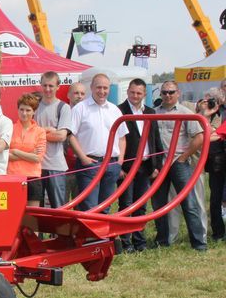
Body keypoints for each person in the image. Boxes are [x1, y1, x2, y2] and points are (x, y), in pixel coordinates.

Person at [151, 81, 206, 250]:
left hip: (177, 163)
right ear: (161, 93)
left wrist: (183, 157)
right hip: (159, 165)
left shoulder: (185, 112)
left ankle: (199, 243)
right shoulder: (153, 113)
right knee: (159, 204)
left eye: (171, 92)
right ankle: (162, 241)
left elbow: (200, 137)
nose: (168, 95)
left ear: (178, 93)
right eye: (165, 92)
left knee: (189, 204)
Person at [68, 73, 128, 212]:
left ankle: (101, 235)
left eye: (105, 88)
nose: (102, 91)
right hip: (90, 164)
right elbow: (71, 135)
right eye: (98, 87)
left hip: (112, 164)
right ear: (92, 88)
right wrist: (83, 158)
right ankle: (89, 234)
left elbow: (122, 137)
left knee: (105, 207)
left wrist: (120, 160)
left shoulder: (115, 110)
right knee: (89, 207)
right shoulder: (80, 108)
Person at [116, 79, 163, 252]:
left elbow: (155, 140)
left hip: (145, 166)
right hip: (127, 167)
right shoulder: (119, 111)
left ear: (144, 94)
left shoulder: (150, 112)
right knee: (126, 205)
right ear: (127, 91)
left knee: (141, 206)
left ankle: (139, 242)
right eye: (132, 92)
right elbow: (115, 141)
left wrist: (157, 164)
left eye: (139, 93)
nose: (135, 96)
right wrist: (118, 166)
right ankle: (126, 243)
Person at [35, 71, 72, 208]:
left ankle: (57, 231)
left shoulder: (63, 108)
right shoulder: (34, 106)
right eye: (45, 85)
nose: (47, 89)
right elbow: (28, 133)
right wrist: (49, 130)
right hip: (36, 166)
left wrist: (38, 133)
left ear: (58, 86)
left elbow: (61, 136)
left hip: (55, 166)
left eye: (51, 86)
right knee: (36, 209)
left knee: (58, 208)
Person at [7, 94, 46, 206]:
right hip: (13, 177)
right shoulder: (10, 128)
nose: (24, 113)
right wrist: (29, 154)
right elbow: (5, 155)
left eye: (28, 110)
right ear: (18, 110)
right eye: (21, 109)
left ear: (34, 112)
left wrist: (16, 151)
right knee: (13, 212)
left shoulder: (40, 131)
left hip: (33, 177)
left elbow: (37, 158)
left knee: (32, 217)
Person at [197, 87, 224, 243]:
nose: (209, 102)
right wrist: (204, 114)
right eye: (207, 99)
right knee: (215, 198)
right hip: (215, 162)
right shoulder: (201, 113)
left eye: (212, 99)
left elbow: (213, 135)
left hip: (220, 158)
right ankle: (218, 232)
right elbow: (204, 135)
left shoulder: (221, 114)